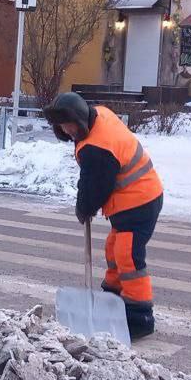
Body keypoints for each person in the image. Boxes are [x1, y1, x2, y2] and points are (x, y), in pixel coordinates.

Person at [43, 92, 163, 340]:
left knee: (127, 255)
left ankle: (138, 315)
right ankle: (113, 295)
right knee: (114, 248)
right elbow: (91, 176)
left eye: (69, 125)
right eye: (61, 126)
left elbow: (96, 184)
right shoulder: (100, 115)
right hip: (133, 198)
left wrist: (84, 207)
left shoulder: (98, 148)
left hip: (139, 200)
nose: (66, 131)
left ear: (80, 118)